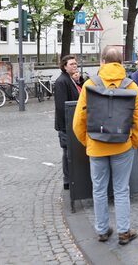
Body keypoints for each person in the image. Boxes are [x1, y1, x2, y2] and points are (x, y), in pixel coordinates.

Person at [72, 45, 138, 245]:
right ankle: (124, 232)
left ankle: (102, 230)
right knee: (121, 189)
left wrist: (88, 141)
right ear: (121, 62)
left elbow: (78, 121)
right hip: (122, 145)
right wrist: (134, 142)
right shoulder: (130, 85)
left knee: (99, 189)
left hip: (96, 145)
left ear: (102, 62)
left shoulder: (89, 84)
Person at [54, 55, 81, 190]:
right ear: (64, 67)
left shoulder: (71, 79)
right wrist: (67, 126)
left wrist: (78, 81)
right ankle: (68, 180)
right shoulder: (61, 81)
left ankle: (72, 178)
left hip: (73, 122)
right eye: (71, 64)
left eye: (75, 64)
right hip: (67, 124)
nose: (75, 66)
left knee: (70, 151)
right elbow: (61, 106)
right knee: (67, 152)